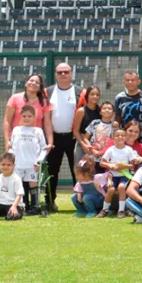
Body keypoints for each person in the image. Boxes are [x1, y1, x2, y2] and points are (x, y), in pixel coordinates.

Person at [45, 63, 82, 210]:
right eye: (60, 72)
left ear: (71, 73)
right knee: (52, 171)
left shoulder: (80, 92)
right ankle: (49, 201)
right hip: (53, 138)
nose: (63, 75)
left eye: (66, 72)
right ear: (55, 75)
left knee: (78, 171)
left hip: (73, 138)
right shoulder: (47, 92)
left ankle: (80, 200)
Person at [9, 105, 51, 215]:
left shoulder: (38, 131)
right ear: (20, 117)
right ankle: (22, 206)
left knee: (33, 184)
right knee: (18, 185)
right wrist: (11, 161)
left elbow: (43, 148)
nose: (27, 118)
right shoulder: (16, 130)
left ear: (34, 117)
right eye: (24, 116)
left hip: (32, 165)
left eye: (29, 116)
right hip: (18, 164)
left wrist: (39, 161)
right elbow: (12, 148)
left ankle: (34, 207)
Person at [3, 73, 53, 151]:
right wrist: (7, 141)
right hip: (17, 142)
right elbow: (7, 121)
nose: (33, 83)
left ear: (40, 88)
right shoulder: (14, 98)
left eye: (37, 82)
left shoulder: (45, 102)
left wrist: (50, 143)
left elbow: (47, 124)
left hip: (36, 143)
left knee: (40, 163)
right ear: (26, 83)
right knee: (16, 163)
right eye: (31, 80)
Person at [101, 128, 142, 218]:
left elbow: (132, 165)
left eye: (122, 135)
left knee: (121, 187)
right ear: (113, 138)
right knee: (111, 189)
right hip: (112, 176)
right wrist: (111, 166)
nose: (120, 137)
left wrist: (123, 166)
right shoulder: (110, 150)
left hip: (124, 175)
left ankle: (121, 210)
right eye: (117, 135)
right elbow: (102, 163)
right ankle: (105, 210)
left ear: (125, 137)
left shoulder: (129, 150)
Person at [114, 71, 142, 144]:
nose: (130, 82)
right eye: (128, 80)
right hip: (125, 139)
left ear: (138, 82)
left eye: (133, 80)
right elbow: (117, 118)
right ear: (124, 82)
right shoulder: (119, 98)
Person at [72, 85, 102, 162]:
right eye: (92, 94)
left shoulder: (101, 111)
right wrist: (83, 145)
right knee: (80, 170)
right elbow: (76, 131)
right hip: (82, 145)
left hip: (96, 147)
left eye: (97, 95)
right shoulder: (81, 111)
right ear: (87, 96)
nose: (95, 96)